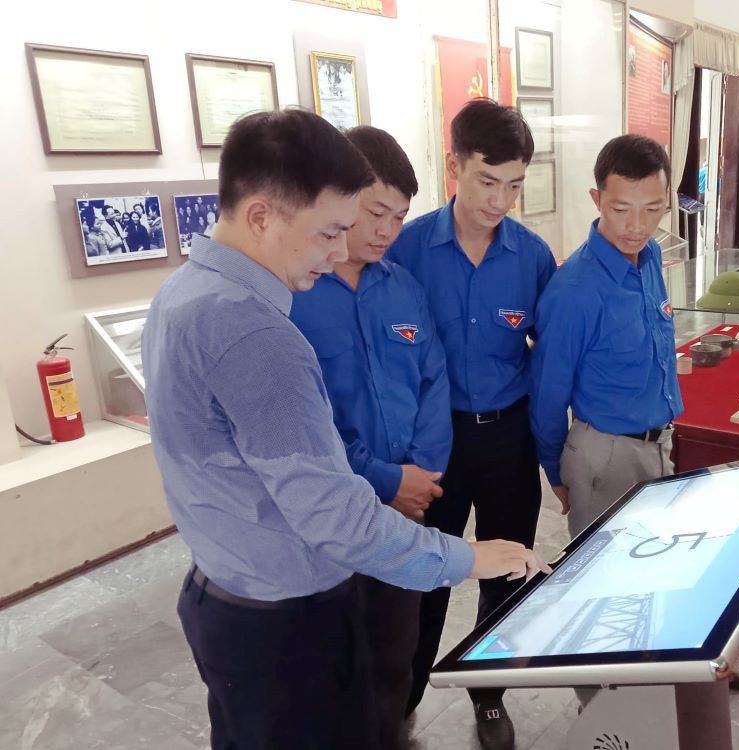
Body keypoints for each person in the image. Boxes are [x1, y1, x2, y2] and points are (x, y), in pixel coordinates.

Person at [141, 108, 549, 749]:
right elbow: (336, 516)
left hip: (230, 588)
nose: (341, 250)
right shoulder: (258, 333)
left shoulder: (183, 294)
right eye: (332, 230)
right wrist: (469, 557)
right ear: (262, 217)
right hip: (283, 613)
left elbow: (428, 377)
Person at [530, 133, 739, 692]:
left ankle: (678, 673)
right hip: (605, 454)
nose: (637, 225)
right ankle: (601, 707)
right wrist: (557, 472)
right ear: (597, 200)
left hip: (658, 444)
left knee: (662, 571)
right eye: (621, 209)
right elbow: (546, 394)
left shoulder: (652, 257)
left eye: (653, 209)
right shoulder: (575, 289)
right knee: (599, 587)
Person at [388, 98, 556, 750]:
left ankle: (489, 691)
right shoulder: (405, 249)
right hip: (434, 445)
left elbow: (549, 353)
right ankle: (403, 699)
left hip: (507, 438)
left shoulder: (531, 257)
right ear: (454, 164)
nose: (500, 200)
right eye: (488, 181)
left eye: (514, 185)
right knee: (425, 575)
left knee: (507, 571)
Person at [289, 125, 449, 750]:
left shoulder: (403, 288)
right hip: (329, 519)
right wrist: (386, 481)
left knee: (394, 655)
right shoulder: (297, 294)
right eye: (375, 212)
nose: (386, 231)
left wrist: (421, 476)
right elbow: (306, 425)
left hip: (403, 515)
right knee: (328, 664)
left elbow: (433, 381)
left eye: (400, 217)